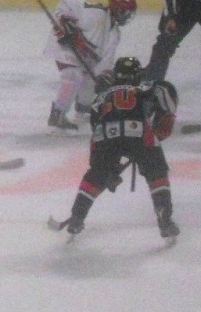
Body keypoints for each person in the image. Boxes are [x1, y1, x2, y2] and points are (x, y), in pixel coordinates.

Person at [60, 56, 180, 240]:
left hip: (107, 136)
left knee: (95, 176)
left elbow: (96, 127)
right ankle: (165, 219)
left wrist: (107, 169)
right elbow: (166, 100)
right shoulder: (147, 87)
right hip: (140, 133)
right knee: (157, 173)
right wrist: (160, 129)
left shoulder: (101, 96)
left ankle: (77, 216)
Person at [43, 0, 137, 134]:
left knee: (91, 80)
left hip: (85, 59)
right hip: (65, 47)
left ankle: (83, 112)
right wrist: (66, 23)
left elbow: (105, 62)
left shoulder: (115, 34)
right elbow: (66, 2)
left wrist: (104, 77)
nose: (127, 16)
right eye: (126, 12)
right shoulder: (95, 12)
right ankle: (57, 116)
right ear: (118, 8)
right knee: (72, 76)